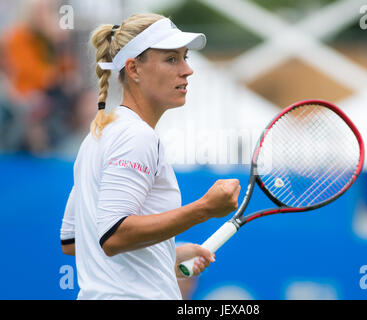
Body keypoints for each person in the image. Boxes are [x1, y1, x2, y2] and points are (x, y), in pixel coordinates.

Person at [59, 13, 241, 300]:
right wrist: (204, 208)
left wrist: (170, 253)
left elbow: (75, 242)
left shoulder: (97, 136)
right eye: (171, 59)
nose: (187, 70)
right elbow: (113, 236)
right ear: (134, 69)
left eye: (185, 57)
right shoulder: (136, 137)